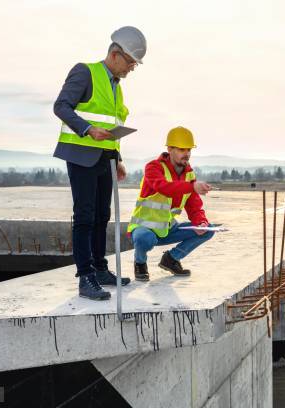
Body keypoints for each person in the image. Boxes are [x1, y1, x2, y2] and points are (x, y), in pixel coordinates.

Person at [53, 26, 146, 300]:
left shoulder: (116, 87)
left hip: (105, 159)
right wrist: (88, 129)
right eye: (130, 62)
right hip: (81, 155)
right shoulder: (85, 72)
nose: (131, 69)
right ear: (116, 55)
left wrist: (117, 159)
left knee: (101, 217)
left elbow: (112, 126)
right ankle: (85, 277)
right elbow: (61, 106)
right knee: (84, 216)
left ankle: (100, 269)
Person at [127, 127, 215, 281]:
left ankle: (171, 259)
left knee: (209, 229)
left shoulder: (189, 174)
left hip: (168, 228)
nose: (186, 154)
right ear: (170, 149)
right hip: (145, 228)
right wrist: (192, 186)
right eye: (181, 149)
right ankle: (140, 263)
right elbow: (164, 187)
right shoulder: (153, 167)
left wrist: (201, 222)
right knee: (144, 239)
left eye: (189, 150)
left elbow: (194, 206)